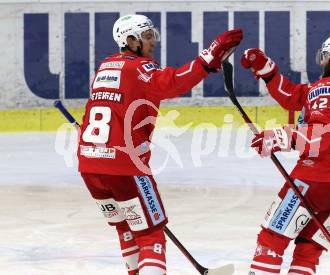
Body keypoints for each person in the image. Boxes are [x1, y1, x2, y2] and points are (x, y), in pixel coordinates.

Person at [77, 14, 242, 275]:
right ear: (129, 40)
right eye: (146, 37)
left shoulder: (105, 67)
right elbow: (173, 82)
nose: (152, 42)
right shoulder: (139, 68)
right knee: (151, 236)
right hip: (125, 167)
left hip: (90, 165)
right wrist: (207, 59)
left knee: (126, 229)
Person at [241, 33, 330, 274]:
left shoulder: (329, 89)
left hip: (315, 181)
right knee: (307, 250)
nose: (323, 62)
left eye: (327, 57)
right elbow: (294, 97)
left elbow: (319, 135)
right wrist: (266, 71)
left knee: (271, 241)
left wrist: (277, 138)